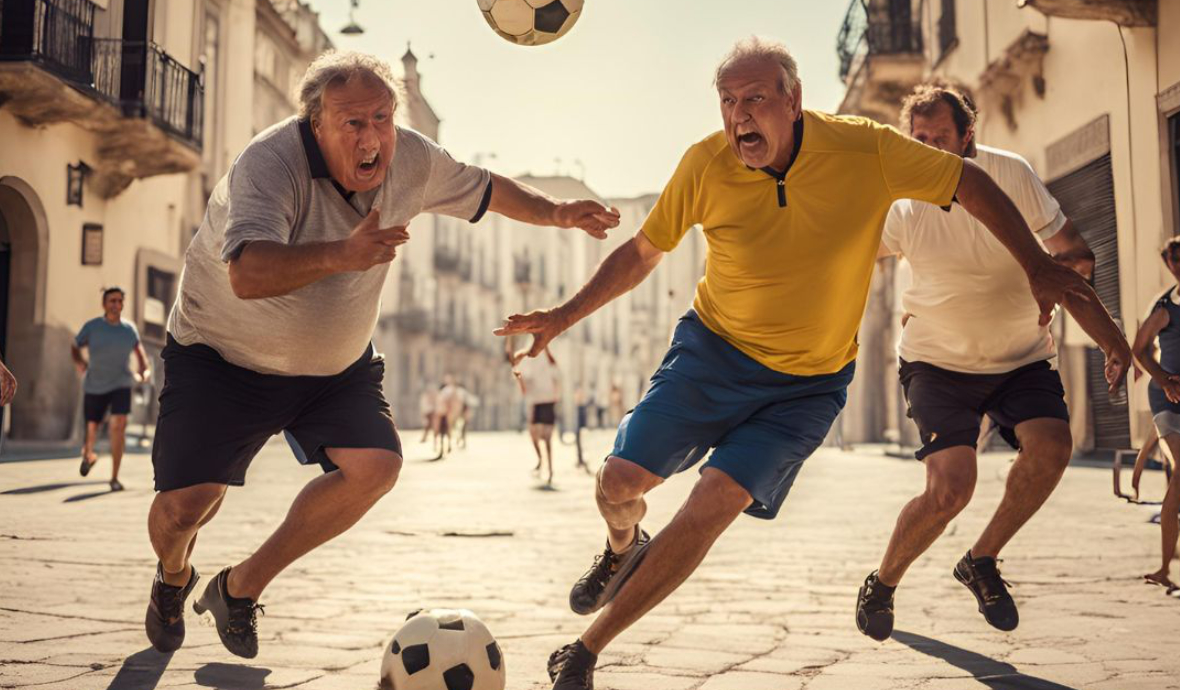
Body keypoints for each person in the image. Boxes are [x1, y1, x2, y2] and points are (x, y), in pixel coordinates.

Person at [495, 37, 1128, 690]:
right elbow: (641, 253)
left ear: (793, 102)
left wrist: (1037, 265)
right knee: (617, 485)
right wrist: (561, 317)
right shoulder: (705, 165)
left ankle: (585, 651)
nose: (740, 115)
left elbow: (967, 180)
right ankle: (624, 547)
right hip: (711, 355)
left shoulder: (864, 149)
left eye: (756, 99)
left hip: (807, 384)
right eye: (728, 102)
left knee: (714, 502)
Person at [143, 50, 619, 659]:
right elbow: (247, 273)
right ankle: (173, 576)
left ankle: (239, 589)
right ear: (315, 124)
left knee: (377, 466)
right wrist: (341, 253)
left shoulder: (411, 159)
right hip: (221, 356)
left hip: (333, 368)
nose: (373, 137)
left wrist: (554, 213)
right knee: (186, 508)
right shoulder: (269, 164)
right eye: (353, 123)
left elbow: (486, 186)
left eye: (383, 117)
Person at [856, 83, 1129, 641]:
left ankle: (981, 560)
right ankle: (883, 583)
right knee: (950, 489)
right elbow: (848, 257)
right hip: (936, 362)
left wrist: (1108, 336)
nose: (927, 150)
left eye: (939, 139)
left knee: (1053, 450)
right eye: (919, 139)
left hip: (1020, 358)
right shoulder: (902, 199)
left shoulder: (1011, 175)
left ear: (969, 137)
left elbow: (1074, 255)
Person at [1130, 236, 1180, 591]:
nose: (1176, 264)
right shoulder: (1167, 307)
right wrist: (1163, 380)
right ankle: (1165, 567)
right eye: (1172, 258)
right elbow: (1140, 348)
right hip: (1168, 397)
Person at [71, 287, 151, 492]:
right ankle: (88, 455)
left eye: (119, 301)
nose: (116, 305)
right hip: (95, 383)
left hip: (121, 382)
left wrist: (144, 371)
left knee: (119, 425)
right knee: (92, 428)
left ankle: (114, 477)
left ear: (123, 304)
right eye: (112, 301)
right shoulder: (92, 327)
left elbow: (140, 354)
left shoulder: (129, 329)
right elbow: (75, 344)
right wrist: (79, 362)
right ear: (104, 304)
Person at [514, 347, 561, 486]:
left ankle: (550, 470)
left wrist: (545, 347)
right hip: (537, 404)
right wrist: (518, 377)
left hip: (548, 403)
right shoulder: (531, 370)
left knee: (547, 440)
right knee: (534, 436)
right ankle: (541, 461)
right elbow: (524, 389)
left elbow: (553, 364)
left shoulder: (551, 367)